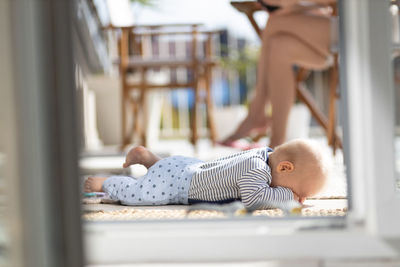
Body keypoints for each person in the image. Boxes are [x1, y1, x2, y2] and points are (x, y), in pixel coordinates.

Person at [221, 0, 337, 149]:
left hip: (353, 28)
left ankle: (257, 112)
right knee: (279, 47)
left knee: (275, 21)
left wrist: (293, 4)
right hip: (325, 36)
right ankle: (276, 141)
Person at [84, 139, 328, 209]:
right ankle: (106, 182)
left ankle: (150, 160)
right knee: (140, 194)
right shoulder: (258, 171)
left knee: (163, 171)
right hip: (179, 185)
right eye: (300, 190)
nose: (299, 196)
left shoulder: (262, 153)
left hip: (186, 167)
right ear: (285, 168)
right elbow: (256, 198)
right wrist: (288, 195)